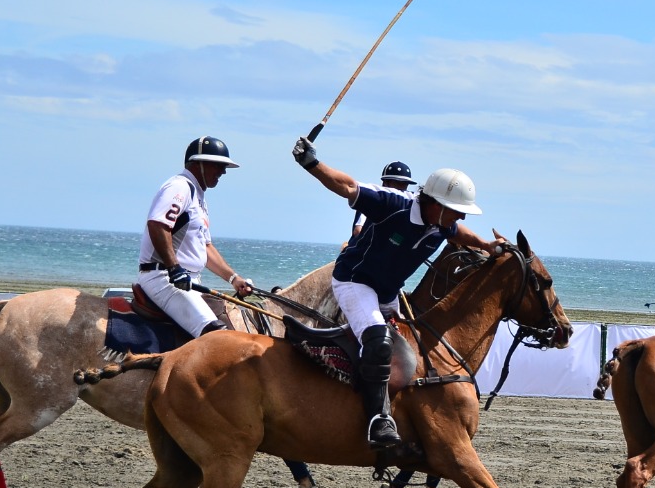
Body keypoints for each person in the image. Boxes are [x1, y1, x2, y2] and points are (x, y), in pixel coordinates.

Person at [293, 135, 503, 449]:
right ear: (435, 203)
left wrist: (487, 245)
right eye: (456, 210)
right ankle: (378, 419)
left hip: (388, 291)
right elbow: (348, 187)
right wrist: (311, 163)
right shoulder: (393, 204)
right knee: (378, 341)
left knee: (412, 346)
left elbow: (459, 232)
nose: (460, 217)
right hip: (355, 282)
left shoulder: (443, 224)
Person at [137, 136, 253, 337]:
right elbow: (157, 224)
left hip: (187, 280)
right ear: (198, 163)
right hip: (164, 278)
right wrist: (174, 269)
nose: (223, 172)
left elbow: (205, 248)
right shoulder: (179, 187)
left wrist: (234, 279)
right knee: (218, 337)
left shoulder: (199, 197)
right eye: (218, 165)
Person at [351, 161, 416, 239]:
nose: (401, 188)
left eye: (405, 184)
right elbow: (358, 230)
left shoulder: (405, 206)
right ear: (385, 182)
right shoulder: (373, 200)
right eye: (398, 183)